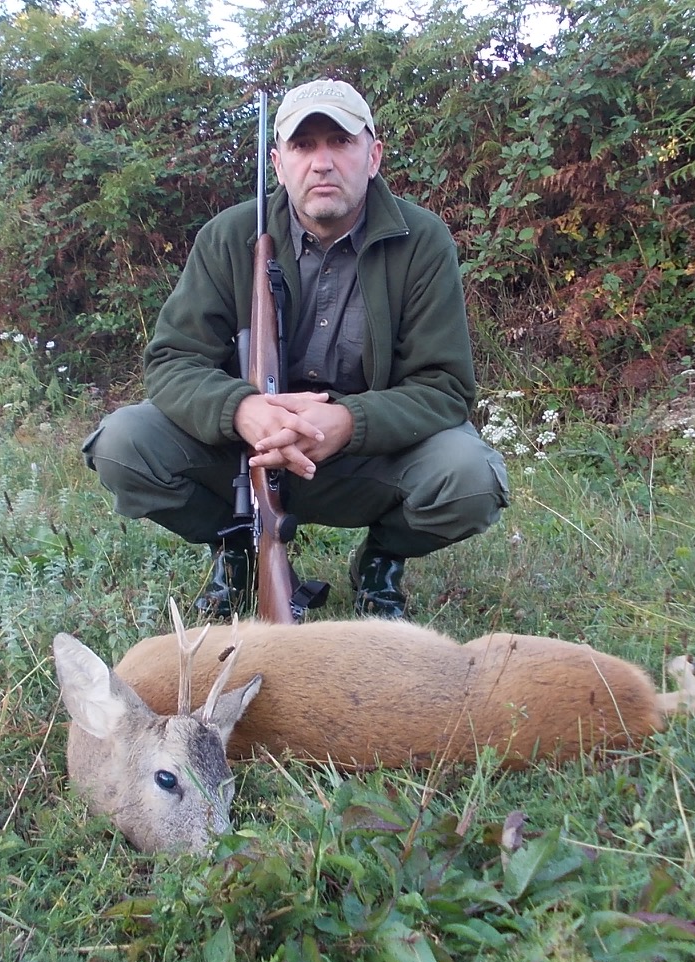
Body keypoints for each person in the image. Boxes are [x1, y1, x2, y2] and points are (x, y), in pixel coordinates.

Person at [80, 79, 509, 619]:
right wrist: (241, 410)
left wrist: (348, 422)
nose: (322, 163)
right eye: (304, 146)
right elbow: (172, 361)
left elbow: (444, 387)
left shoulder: (422, 240)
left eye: (340, 142)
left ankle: (381, 560)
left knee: (470, 480)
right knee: (122, 444)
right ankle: (239, 548)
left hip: (364, 459)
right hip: (245, 455)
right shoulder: (229, 235)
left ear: (373, 156)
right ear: (279, 165)